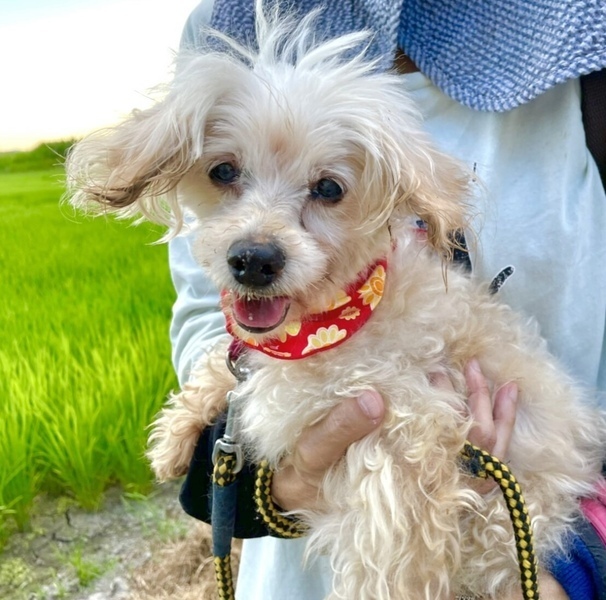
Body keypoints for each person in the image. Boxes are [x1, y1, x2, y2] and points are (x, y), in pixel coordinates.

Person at [169, 1, 606, 598]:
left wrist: (573, 575)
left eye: (327, 189)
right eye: (226, 174)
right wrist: (278, 483)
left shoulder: (584, 30)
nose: (256, 244)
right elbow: (212, 325)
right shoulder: (225, 25)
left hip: (545, 540)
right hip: (304, 568)